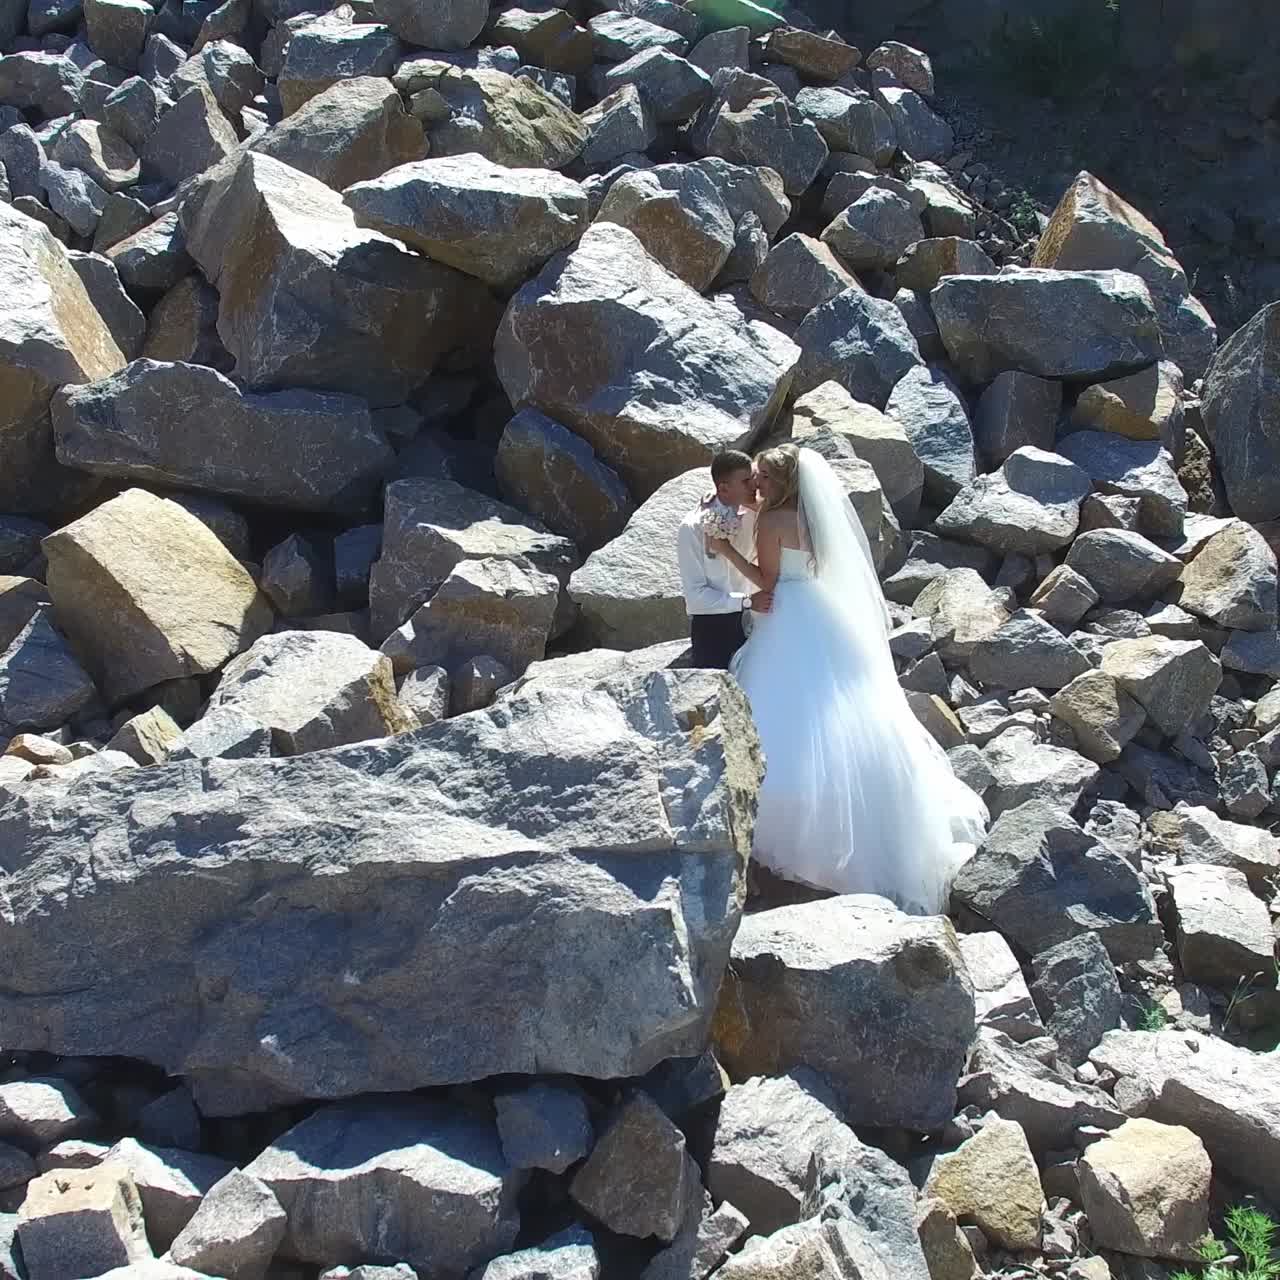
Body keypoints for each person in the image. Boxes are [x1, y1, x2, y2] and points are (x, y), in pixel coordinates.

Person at [708, 444, 988, 915]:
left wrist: (724, 550)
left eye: (762, 478)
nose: (755, 484)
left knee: (784, 710)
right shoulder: (810, 516)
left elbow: (767, 581)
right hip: (822, 610)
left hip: (789, 614)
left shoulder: (774, 521)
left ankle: (791, 829)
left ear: (780, 483)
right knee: (843, 705)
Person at [677, 450, 772, 670]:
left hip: (758, 623)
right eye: (746, 481)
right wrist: (747, 601)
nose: (754, 486)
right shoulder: (692, 528)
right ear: (723, 488)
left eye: (754, 478)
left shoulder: (756, 513)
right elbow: (695, 598)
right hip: (713, 630)